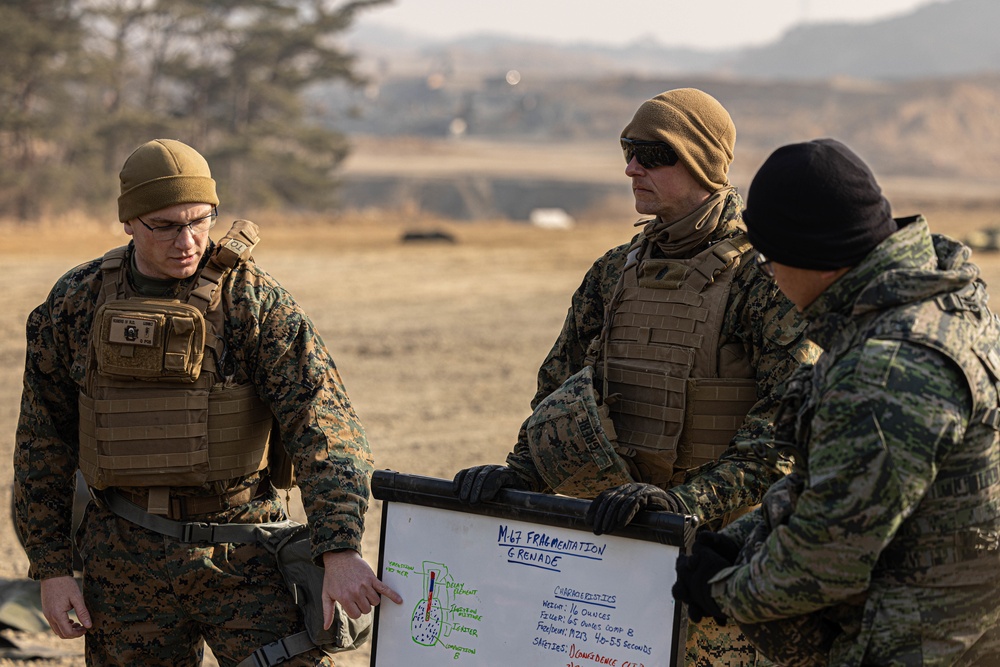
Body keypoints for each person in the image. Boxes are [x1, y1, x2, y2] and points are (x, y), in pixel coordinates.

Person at [453, 88, 819, 665]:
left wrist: (682, 507)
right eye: (628, 150)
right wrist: (517, 478)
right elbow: (559, 395)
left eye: (652, 153)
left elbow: (790, 434)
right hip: (612, 560)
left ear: (701, 162)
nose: (631, 167)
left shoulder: (763, 278)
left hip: (724, 568)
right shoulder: (612, 273)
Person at [13, 138, 402, 666]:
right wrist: (53, 568)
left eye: (201, 221)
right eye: (166, 225)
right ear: (128, 221)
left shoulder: (251, 300)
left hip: (243, 551)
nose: (188, 240)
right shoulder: (77, 302)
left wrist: (339, 548)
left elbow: (324, 423)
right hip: (124, 557)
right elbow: (43, 442)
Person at [672, 138, 1000, 665]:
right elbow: (835, 484)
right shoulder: (932, 302)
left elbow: (827, 559)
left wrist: (724, 589)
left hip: (919, 645)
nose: (770, 276)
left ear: (817, 258)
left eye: (770, 257)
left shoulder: (885, 370)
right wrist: (738, 540)